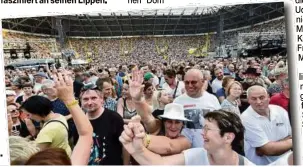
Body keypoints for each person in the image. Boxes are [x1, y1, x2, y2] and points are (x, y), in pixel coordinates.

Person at [120, 110, 254, 165]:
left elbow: (169, 146)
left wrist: (144, 140)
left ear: (228, 137)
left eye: (207, 129)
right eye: (203, 128)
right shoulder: (198, 154)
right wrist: (136, 149)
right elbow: (160, 163)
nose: (202, 133)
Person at [74, 82, 125, 165]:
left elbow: (125, 146)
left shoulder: (114, 118)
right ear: (81, 102)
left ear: (101, 99)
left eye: (94, 98)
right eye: (85, 99)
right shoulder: (79, 122)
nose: (89, 102)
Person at [241, 85, 292, 165]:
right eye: (254, 99)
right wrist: (296, 141)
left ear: (268, 97)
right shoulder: (246, 118)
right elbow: (268, 150)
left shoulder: (280, 110)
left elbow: (291, 135)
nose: (258, 102)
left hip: (286, 162)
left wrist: (268, 146)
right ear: (248, 100)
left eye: (261, 97)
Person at [173, 69, 221, 148]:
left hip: (208, 149)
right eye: (187, 82)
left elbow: (219, 124)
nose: (190, 85)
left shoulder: (212, 99)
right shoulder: (178, 101)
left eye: (194, 82)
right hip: (185, 150)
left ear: (202, 82)